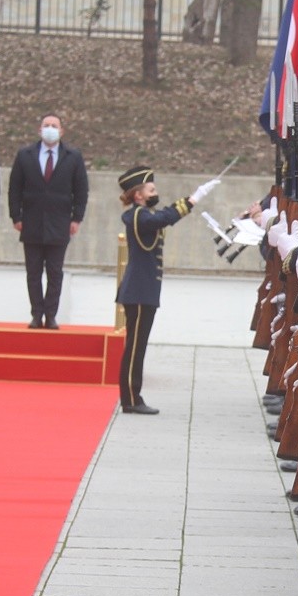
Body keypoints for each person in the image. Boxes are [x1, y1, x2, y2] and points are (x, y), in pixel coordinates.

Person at [116, 165, 219, 414]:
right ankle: (131, 398)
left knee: (138, 346)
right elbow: (164, 218)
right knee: (135, 348)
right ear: (138, 195)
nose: (155, 192)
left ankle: (133, 396)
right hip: (139, 292)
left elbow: (161, 217)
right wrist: (192, 199)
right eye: (151, 189)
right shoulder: (138, 215)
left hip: (144, 292)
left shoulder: (143, 215)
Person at [6, 113, 89, 329]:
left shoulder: (73, 156)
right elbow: (14, 187)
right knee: (33, 272)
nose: (50, 129)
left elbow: (81, 190)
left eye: (54, 125)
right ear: (39, 130)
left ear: (61, 131)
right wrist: (16, 216)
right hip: (31, 221)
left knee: (55, 272)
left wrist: (76, 218)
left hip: (59, 222)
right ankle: (36, 314)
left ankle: (51, 314)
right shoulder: (25, 155)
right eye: (46, 125)